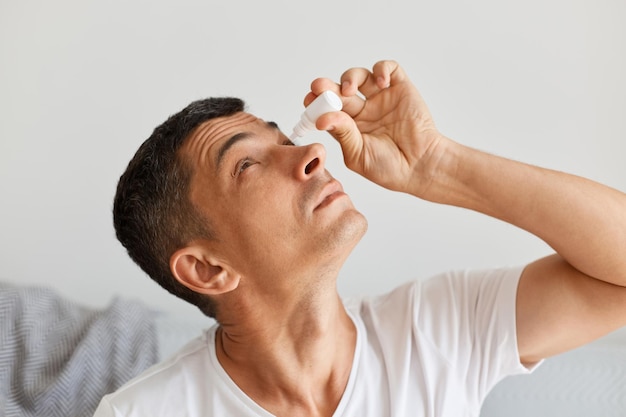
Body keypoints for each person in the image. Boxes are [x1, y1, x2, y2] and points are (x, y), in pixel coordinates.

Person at [94, 60, 626, 417]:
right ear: (208, 269)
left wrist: (436, 165)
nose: (313, 153)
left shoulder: (438, 330)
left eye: (286, 139)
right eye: (249, 165)